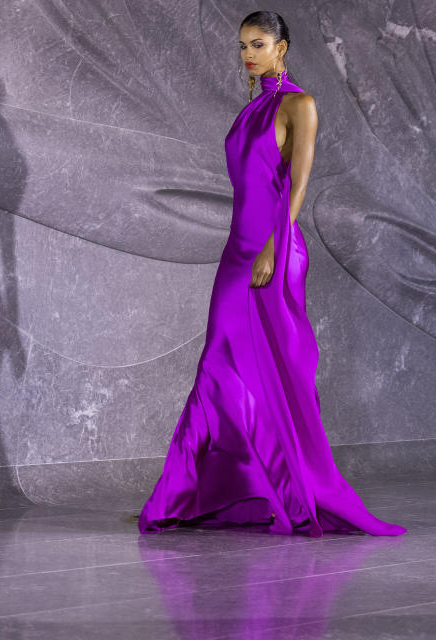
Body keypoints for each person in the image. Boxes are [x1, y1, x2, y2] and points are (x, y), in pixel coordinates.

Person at [137, 11, 407, 537]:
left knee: (275, 373)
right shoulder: (252, 109)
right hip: (237, 249)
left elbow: (299, 183)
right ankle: (196, 494)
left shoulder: (299, 105)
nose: (248, 55)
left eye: (258, 44)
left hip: (273, 250)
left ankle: (289, 492)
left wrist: (271, 250)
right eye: (243, 46)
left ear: (282, 47)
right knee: (219, 365)